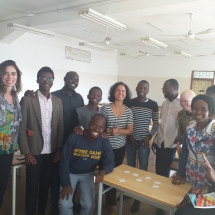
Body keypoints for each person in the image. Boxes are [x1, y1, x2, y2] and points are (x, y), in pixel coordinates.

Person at [25, 71, 84, 214]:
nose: (74, 81)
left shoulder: (76, 98)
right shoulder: (54, 96)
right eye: (71, 78)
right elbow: (24, 126)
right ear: (64, 79)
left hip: (67, 143)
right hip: (47, 145)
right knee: (47, 179)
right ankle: (53, 203)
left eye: (76, 79)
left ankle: (64, 202)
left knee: (62, 174)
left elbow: (72, 122)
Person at [19, 67, 64, 215]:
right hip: (34, 153)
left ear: (53, 81)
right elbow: (21, 128)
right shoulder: (27, 100)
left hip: (51, 153)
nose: (47, 81)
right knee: (32, 188)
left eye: (50, 78)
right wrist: (26, 152)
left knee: (45, 187)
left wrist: (58, 148)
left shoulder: (58, 102)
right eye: (43, 78)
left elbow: (60, 127)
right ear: (38, 79)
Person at [59, 114, 114, 215]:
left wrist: (102, 172)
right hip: (70, 173)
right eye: (94, 125)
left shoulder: (104, 142)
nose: (96, 129)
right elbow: (63, 162)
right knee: (64, 204)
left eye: (101, 127)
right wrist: (66, 184)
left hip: (90, 173)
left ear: (104, 129)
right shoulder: (74, 137)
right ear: (89, 124)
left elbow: (110, 162)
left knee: (89, 205)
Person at [126, 80, 159, 213]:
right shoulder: (130, 103)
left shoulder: (153, 104)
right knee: (130, 168)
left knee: (143, 169)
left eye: (145, 88)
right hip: (130, 141)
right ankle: (128, 192)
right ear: (136, 88)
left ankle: (137, 198)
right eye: (140, 87)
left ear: (148, 90)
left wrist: (149, 136)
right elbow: (126, 120)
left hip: (144, 142)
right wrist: (129, 136)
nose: (142, 90)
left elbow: (156, 123)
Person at [101, 82, 133, 215]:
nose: (121, 93)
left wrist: (118, 131)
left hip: (120, 147)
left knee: (115, 174)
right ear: (114, 93)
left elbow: (130, 130)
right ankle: (111, 204)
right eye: (118, 90)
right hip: (106, 147)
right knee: (106, 173)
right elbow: (100, 127)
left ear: (126, 94)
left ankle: (110, 200)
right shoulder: (105, 109)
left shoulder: (128, 111)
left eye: (123, 91)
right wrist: (109, 131)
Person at [172, 94, 215, 190]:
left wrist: (210, 186)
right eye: (195, 108)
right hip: (189, 175)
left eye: (203, 109)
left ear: (210, 111)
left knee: (202, 203)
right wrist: (180, 173)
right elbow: (185, 153)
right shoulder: (189, 126)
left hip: (207, 180)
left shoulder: (213, 130)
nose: (198, 112)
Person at [151, 79, 181, 215]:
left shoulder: (182, 104)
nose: (164, 90)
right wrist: (156, 139)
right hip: (160, 142)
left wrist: (178, 140)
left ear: (174, 88)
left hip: (171, 144)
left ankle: (164, 204)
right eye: (163, 88)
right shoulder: (164, 103)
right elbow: (162, 124)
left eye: (166, 88)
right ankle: (159, 201)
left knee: (166, 174)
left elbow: (181, 127)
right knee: (159, 172)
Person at [0, 60, 22, 210]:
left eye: (13, 73)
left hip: (7, 150)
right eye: (6, 73)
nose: (9, 77)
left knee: (1, 186)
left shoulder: (16, 98)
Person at [175, 90, 196, 155]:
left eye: (186, 101)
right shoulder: (181, 113)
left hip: (197, 147)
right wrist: (178, 143)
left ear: (193, 100)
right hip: (184, 146)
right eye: (181, 101)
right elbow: (181, 129)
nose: (182, 103)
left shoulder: (199, 114)